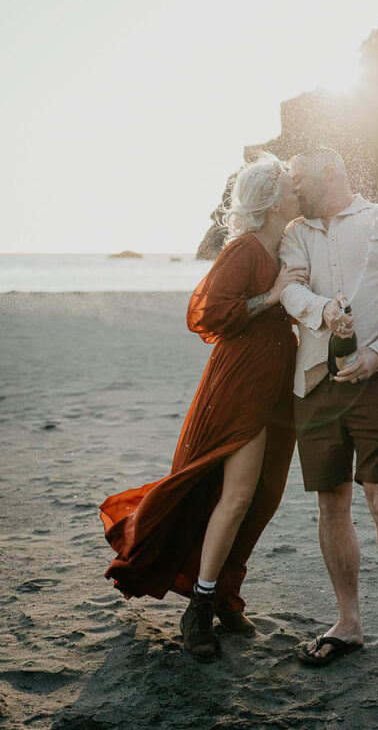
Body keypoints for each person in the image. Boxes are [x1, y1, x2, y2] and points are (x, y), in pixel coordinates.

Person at [99, 155, 306, 661]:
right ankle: (201, 608)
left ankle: (223, 594)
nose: (298, 192)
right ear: (274, 200)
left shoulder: (286, 244)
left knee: (263, 497)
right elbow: (208, 314)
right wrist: (273, 296)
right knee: (235, 497)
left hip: (275, 383)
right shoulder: (244, 248)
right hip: (241, 386)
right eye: (291, 187)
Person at [279, 148, 378, 689]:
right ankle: (348, 623)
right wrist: (321, 309)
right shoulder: (296, 232)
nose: (291, 189)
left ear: (332, 174)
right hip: (314, 387)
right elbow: (288, 287)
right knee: (331, 503)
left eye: (299, 180)